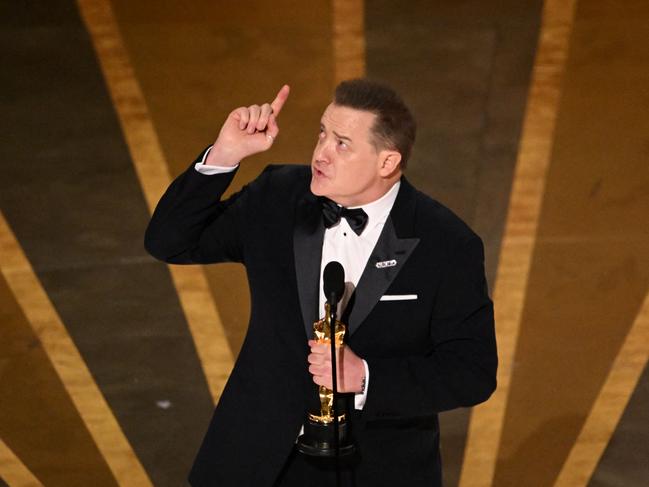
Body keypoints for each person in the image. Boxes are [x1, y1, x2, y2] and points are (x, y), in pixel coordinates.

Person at [145, 79, 497, 487]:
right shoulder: (278, 197)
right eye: (322, 134)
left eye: (342, 144)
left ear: (387, 162)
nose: (321, 154)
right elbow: (169, 242)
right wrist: (225, 154)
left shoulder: (447, 245)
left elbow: (472, 372)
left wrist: (364, 377)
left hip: (375, 470)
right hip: (256, 462)